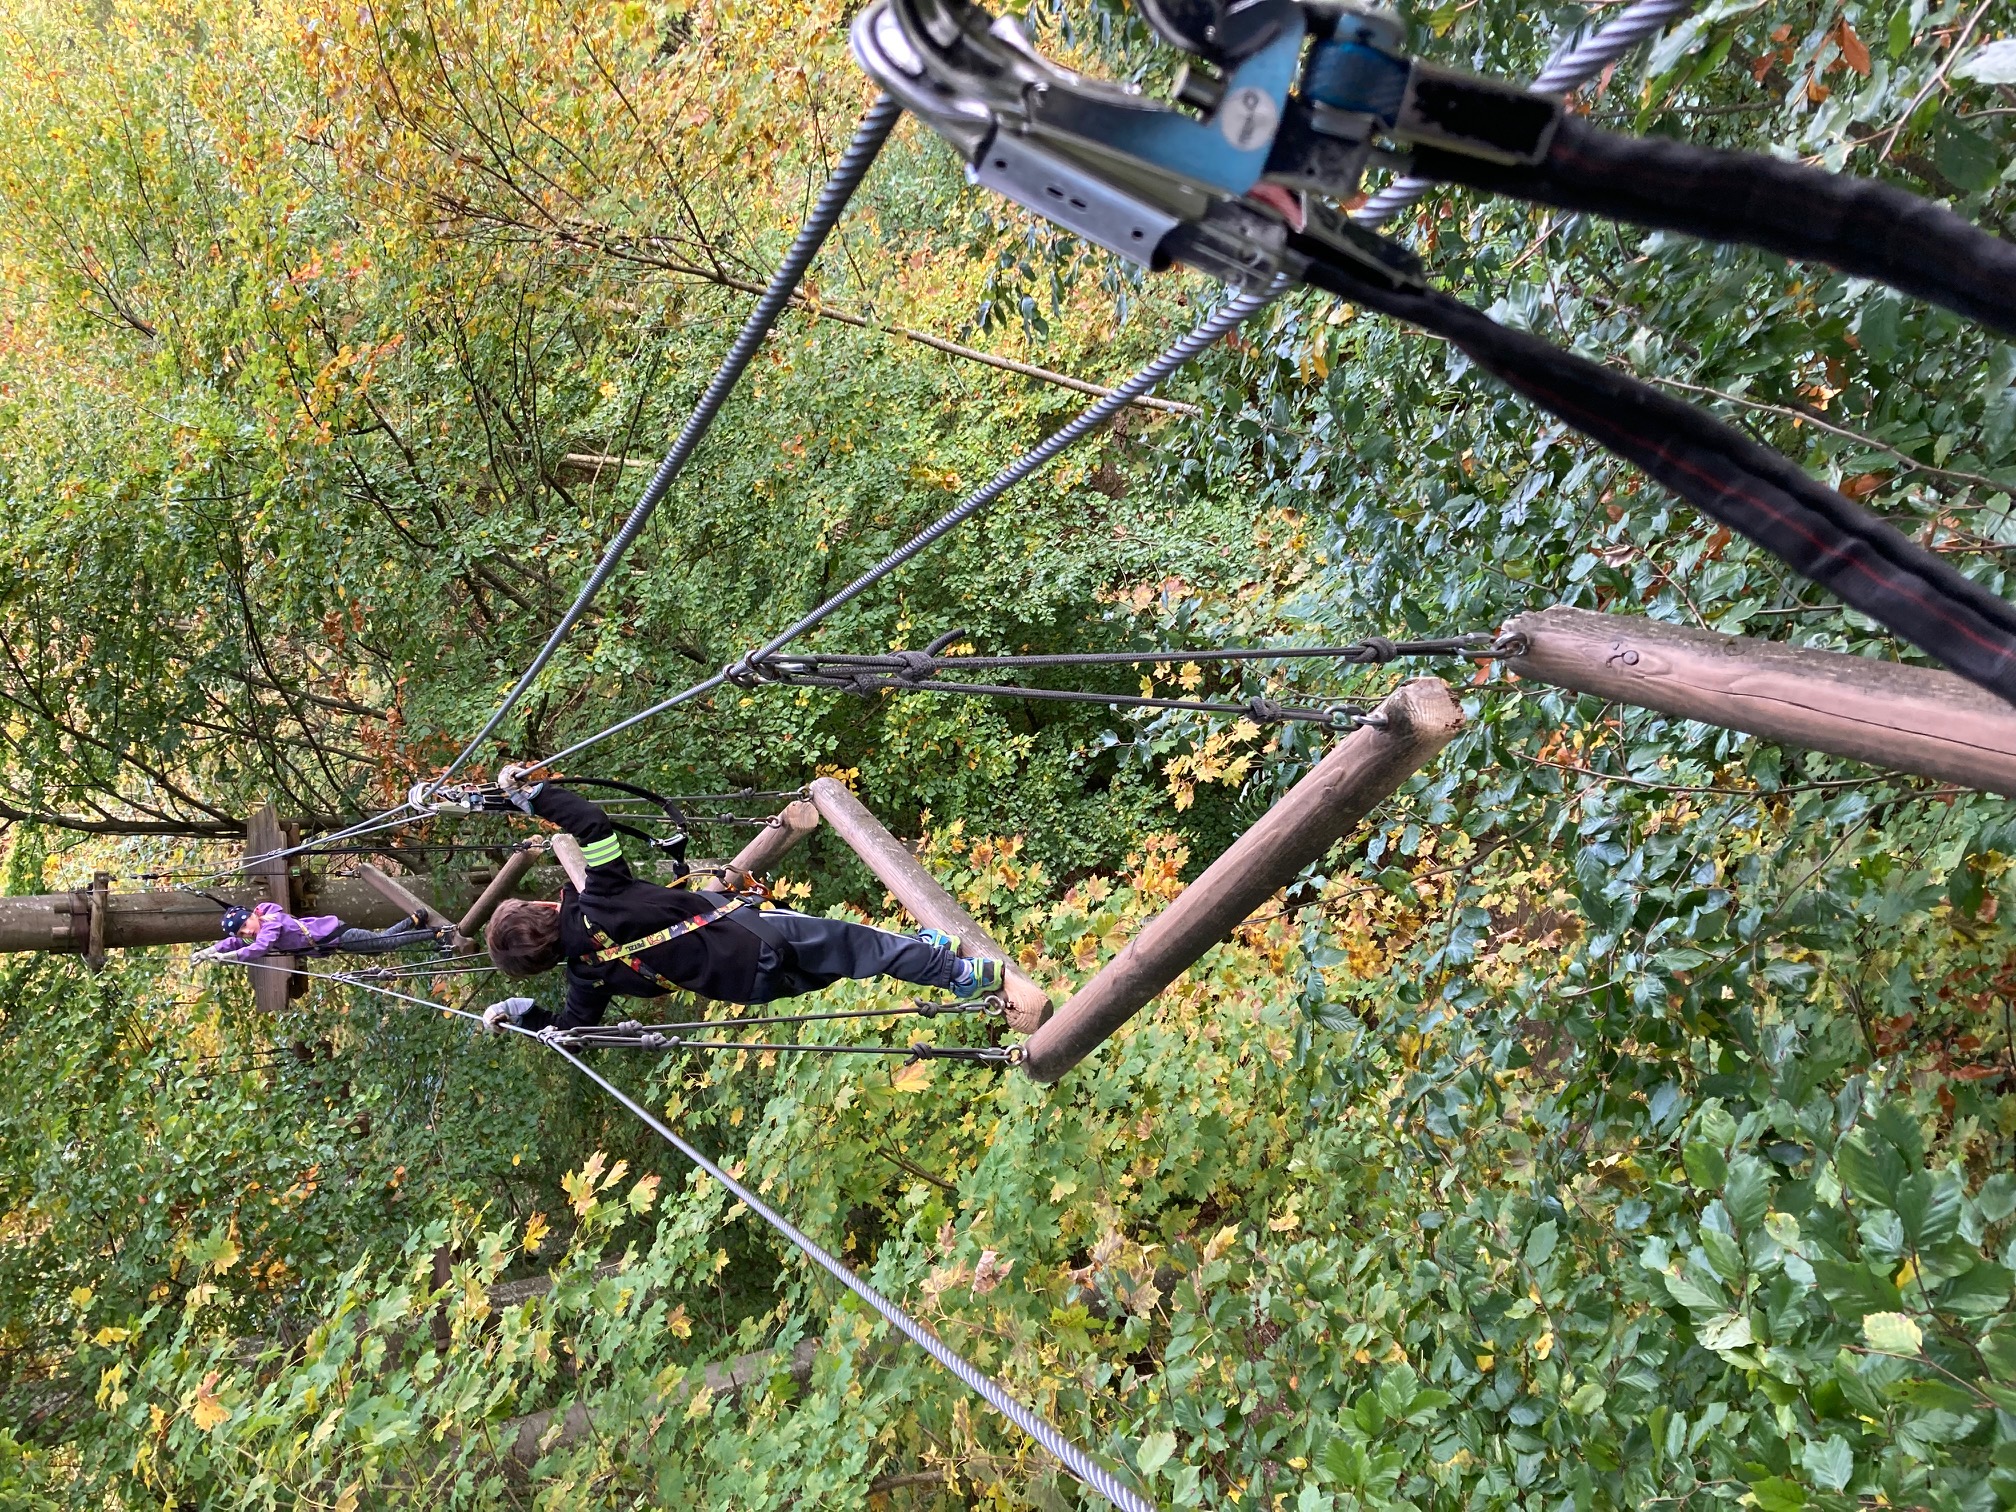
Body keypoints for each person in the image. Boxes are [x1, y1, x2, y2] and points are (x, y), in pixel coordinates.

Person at [478, 769, 1004, 1035]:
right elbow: (591, 825)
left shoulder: (586, 977)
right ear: (545, 910)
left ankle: (923, 953)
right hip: (754, 940)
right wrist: (538, 798)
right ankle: (957, 973)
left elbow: (572, 1029)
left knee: (846, 963)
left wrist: (519, 1015)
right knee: (858, 946)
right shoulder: (601, 896)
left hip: (747, 985)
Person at [193, 901, 445, 963]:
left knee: (384, 943)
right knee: (378, 947)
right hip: (333, 941)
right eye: (242, 933)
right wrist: (209, 951)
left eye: (245, 925)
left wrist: (229, 958)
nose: (247, 933)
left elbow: (259, 948)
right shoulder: (262, 928)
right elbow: (235, 944)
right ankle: (415, 919)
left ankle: (434, 933)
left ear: (251, 915)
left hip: (335, 934)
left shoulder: (271, 924)